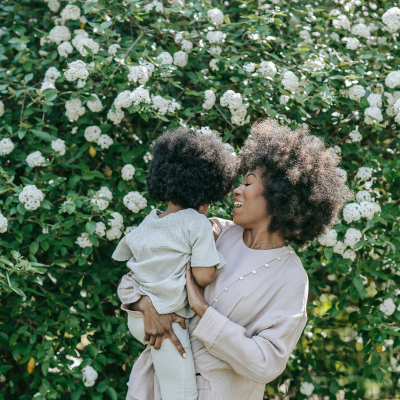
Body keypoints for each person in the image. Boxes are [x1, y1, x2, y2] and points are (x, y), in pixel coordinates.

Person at [118, 119, 353, 400]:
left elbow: (265, 364)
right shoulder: (211, 231)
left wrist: (203, 310)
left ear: (279, 196)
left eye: (248, 182)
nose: (236, 190)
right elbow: (139, 275)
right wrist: (146, 307)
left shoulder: (291, 278)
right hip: (151, 389)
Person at [111, 127, 237, 400]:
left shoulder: (149, 222)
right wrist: (211, 253)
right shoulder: (197, 223)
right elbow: (203, 277)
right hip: (169, 320)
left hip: (137, 315)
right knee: (181, 393)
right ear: (206, 195)